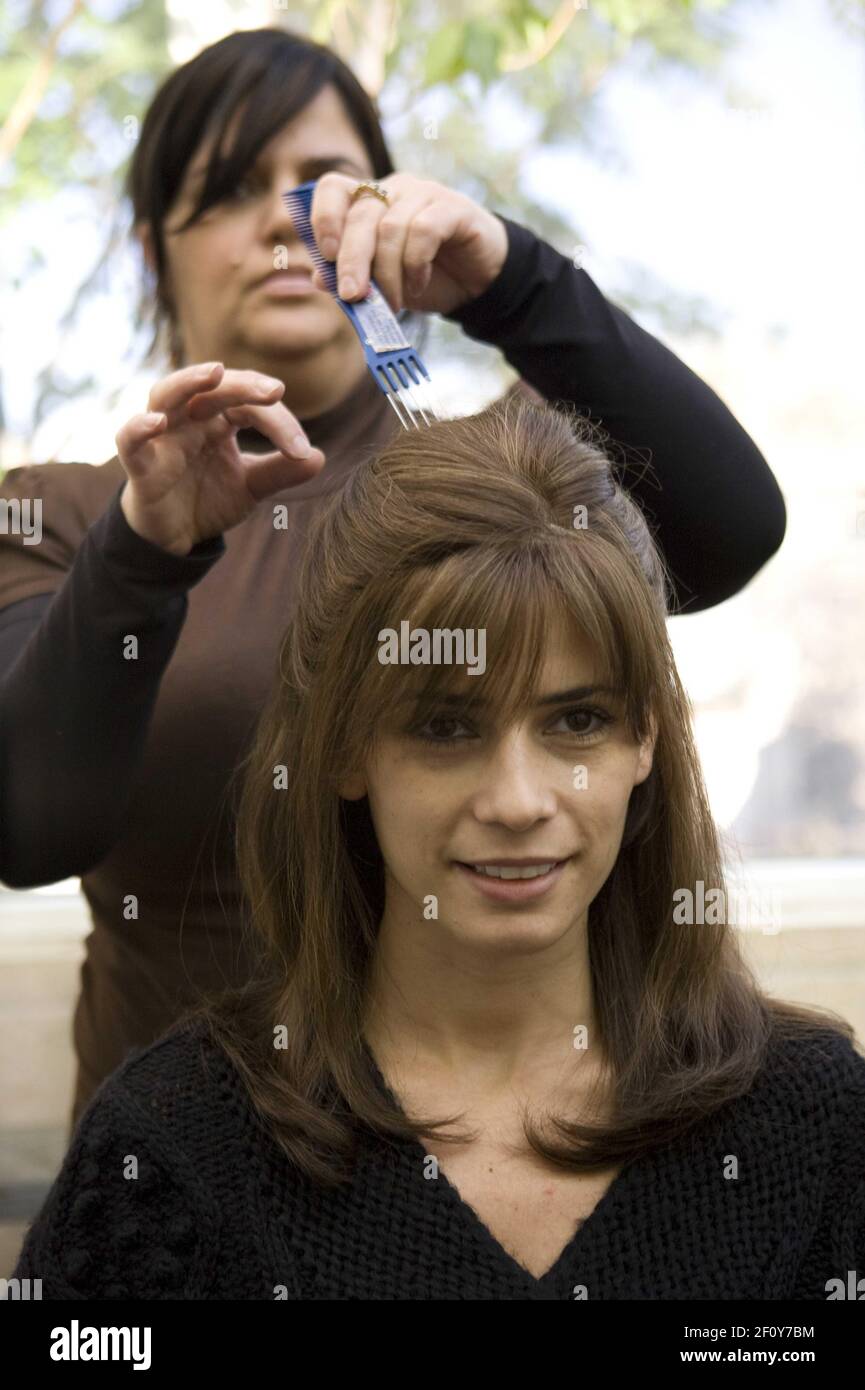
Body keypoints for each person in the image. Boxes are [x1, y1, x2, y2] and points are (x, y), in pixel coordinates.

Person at [0, 27, 788, 1135]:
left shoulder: (500, 490)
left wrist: (515, 283)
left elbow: (728, 531)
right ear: (149, 250)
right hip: (181, 1187)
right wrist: (141, 553)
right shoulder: (66, 518)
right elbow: (28, 829)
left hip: (503, 1159)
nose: (285, 217)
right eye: (228, 190)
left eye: (321, 183)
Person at [11, 393, 862, 1300]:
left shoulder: (812, 1128)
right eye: (446, 728)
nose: (517, 801)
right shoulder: (177, 1149)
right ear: (341, 748)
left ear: (644, 740)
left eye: (577, 720)